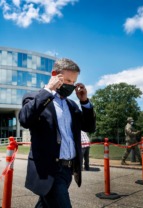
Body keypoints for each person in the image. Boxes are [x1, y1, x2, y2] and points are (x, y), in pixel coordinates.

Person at [19, 58, 96, 208]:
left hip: (68, 170)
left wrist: (85, 101)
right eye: (67, 80)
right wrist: (48, 90)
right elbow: (25, 119)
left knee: (45, 205)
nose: (71, 86)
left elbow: (89, 127)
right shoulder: (34, 98)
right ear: (55, 75)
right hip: (49, 171)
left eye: (73, 82)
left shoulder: (71, 105)